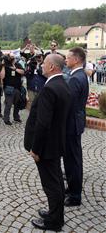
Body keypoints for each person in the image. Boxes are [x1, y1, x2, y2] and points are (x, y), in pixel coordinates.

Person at [24, 54, 71, 231]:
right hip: (56, 143)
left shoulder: (50, 88)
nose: (41, 66)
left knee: (51, 185)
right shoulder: (62, 84)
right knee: (57, 180)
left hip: (46, 147)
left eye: (44, 64)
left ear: (52, 67)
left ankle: (54, 222)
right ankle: (55, 213)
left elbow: (43, 123)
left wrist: (36, 149)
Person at [64, 47, 89, 207]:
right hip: (75, 121)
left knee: (73, 160)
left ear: (76, 59)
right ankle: (72, 187)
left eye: (68, 58)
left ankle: (75, 196)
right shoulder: (81, 75)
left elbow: (69, 104)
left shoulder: (75, 78)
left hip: (71, 123)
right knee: (71, 158)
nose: (66, 60)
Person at [0, 53, 25, 125]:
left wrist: (15, 69)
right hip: (8, 88)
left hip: (17, 87)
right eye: (11, 57)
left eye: (13, 57)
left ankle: (16, 117)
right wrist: (3, 66)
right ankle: (6, 119)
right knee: (9, 104)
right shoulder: (5, 66)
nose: (12, 59)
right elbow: (2, 77)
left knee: (17, 103)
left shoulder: (17, 65)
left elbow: (23, 72)